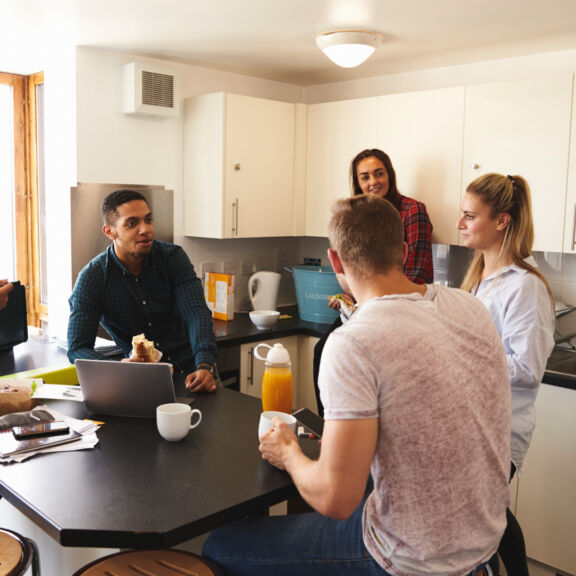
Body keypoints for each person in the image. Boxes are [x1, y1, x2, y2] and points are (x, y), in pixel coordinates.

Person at [203, 195, 511, 576]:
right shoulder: (469, 306)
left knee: (219, 545)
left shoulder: (354, 342)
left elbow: (336, 499)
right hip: (484, 543)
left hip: (411, 559)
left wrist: (288, 453)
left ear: (335, 261)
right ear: (402, 249)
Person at [458, 173, 555, 576]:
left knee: (487, 517)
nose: (460, 223)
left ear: (502, 221)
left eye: (469, 216)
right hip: (474, 422)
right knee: (490, 516)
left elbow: (529, 369)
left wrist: (464, 355)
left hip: (501, 429)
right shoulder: (479, 276)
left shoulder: (524, 287)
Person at [313, 148, 434, 416]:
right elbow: (356, 270)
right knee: (322, 349)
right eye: (364, 177)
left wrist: (369, 302)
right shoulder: (356, 217)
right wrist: (349, 300)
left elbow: (415, 273)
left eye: (379, 174)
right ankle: (329, 427)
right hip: (363, 306)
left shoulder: (412, 211)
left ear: (389, 175)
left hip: (402, 308)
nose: (373, 182)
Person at [67, 189, 218, 392]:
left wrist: (205, 364)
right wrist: (118, 368)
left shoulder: (172, 258)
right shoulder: (92, 278)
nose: (145, 229)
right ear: (109, 231)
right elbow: (77, 348)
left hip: (193, 373)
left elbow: (196, 313)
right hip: (139, 383)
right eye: (132, 223)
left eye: (148, 220)